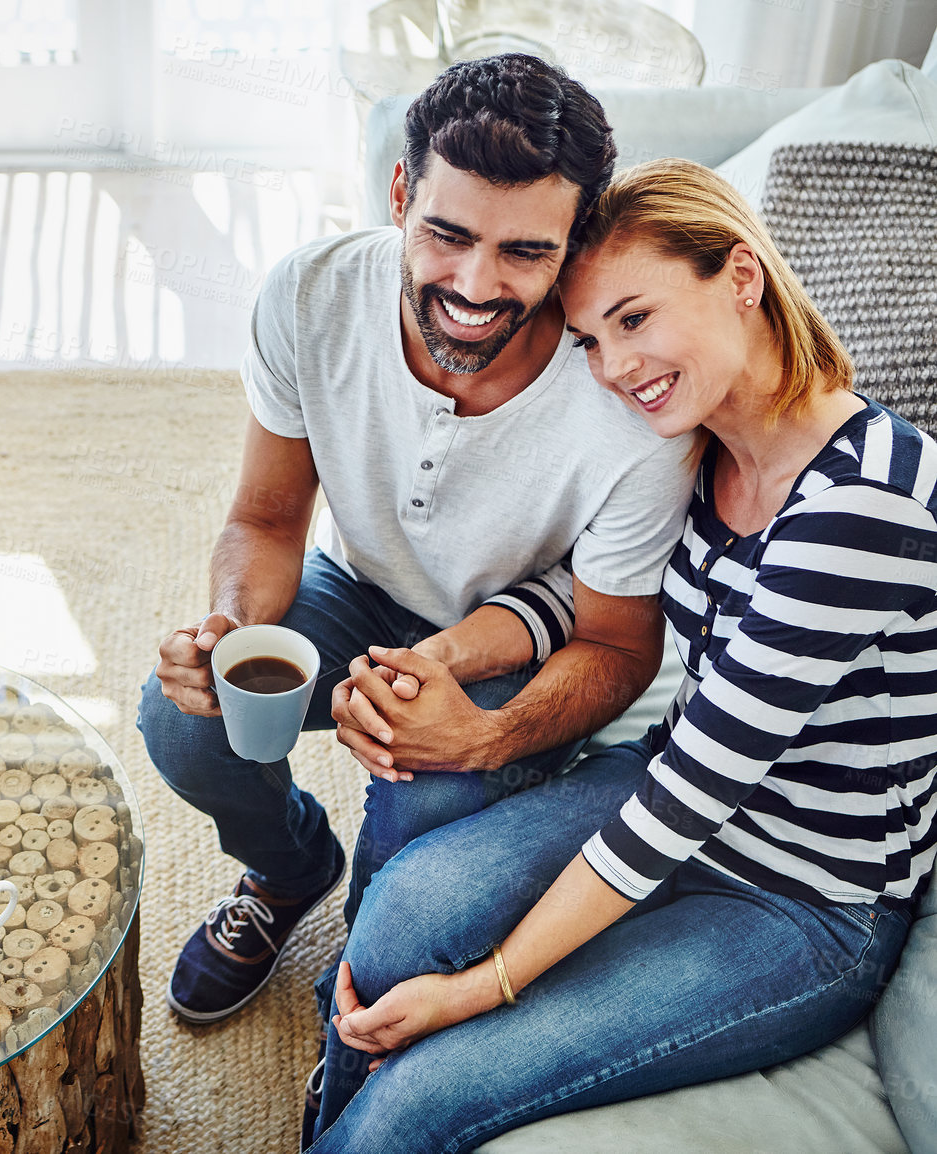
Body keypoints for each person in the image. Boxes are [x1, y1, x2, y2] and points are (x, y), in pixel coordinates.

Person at [303, 156, 937, 1153]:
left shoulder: (861, 507)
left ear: (740, 275)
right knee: (401, 913)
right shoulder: (701, 440)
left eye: (634, 319)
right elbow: (585, 588)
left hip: (801, 901)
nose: (612, 368)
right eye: (592, 337)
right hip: (677, 795)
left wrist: (480, 988)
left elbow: (686, 799)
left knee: (423, 1099)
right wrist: (440, 658)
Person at [138, 53, 696, 1026]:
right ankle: (287, 866)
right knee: (181, 719)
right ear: (399, 193)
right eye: (446, 233)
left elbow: (618, 643)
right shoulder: (309, 295)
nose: (476, 286)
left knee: (423, 809)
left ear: (575, 240)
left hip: (517, 645)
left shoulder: (629, 395)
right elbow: (267, 518)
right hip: (359, 593)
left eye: (525, 252)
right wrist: (230, 625)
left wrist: (486, 734)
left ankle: (355, 992)